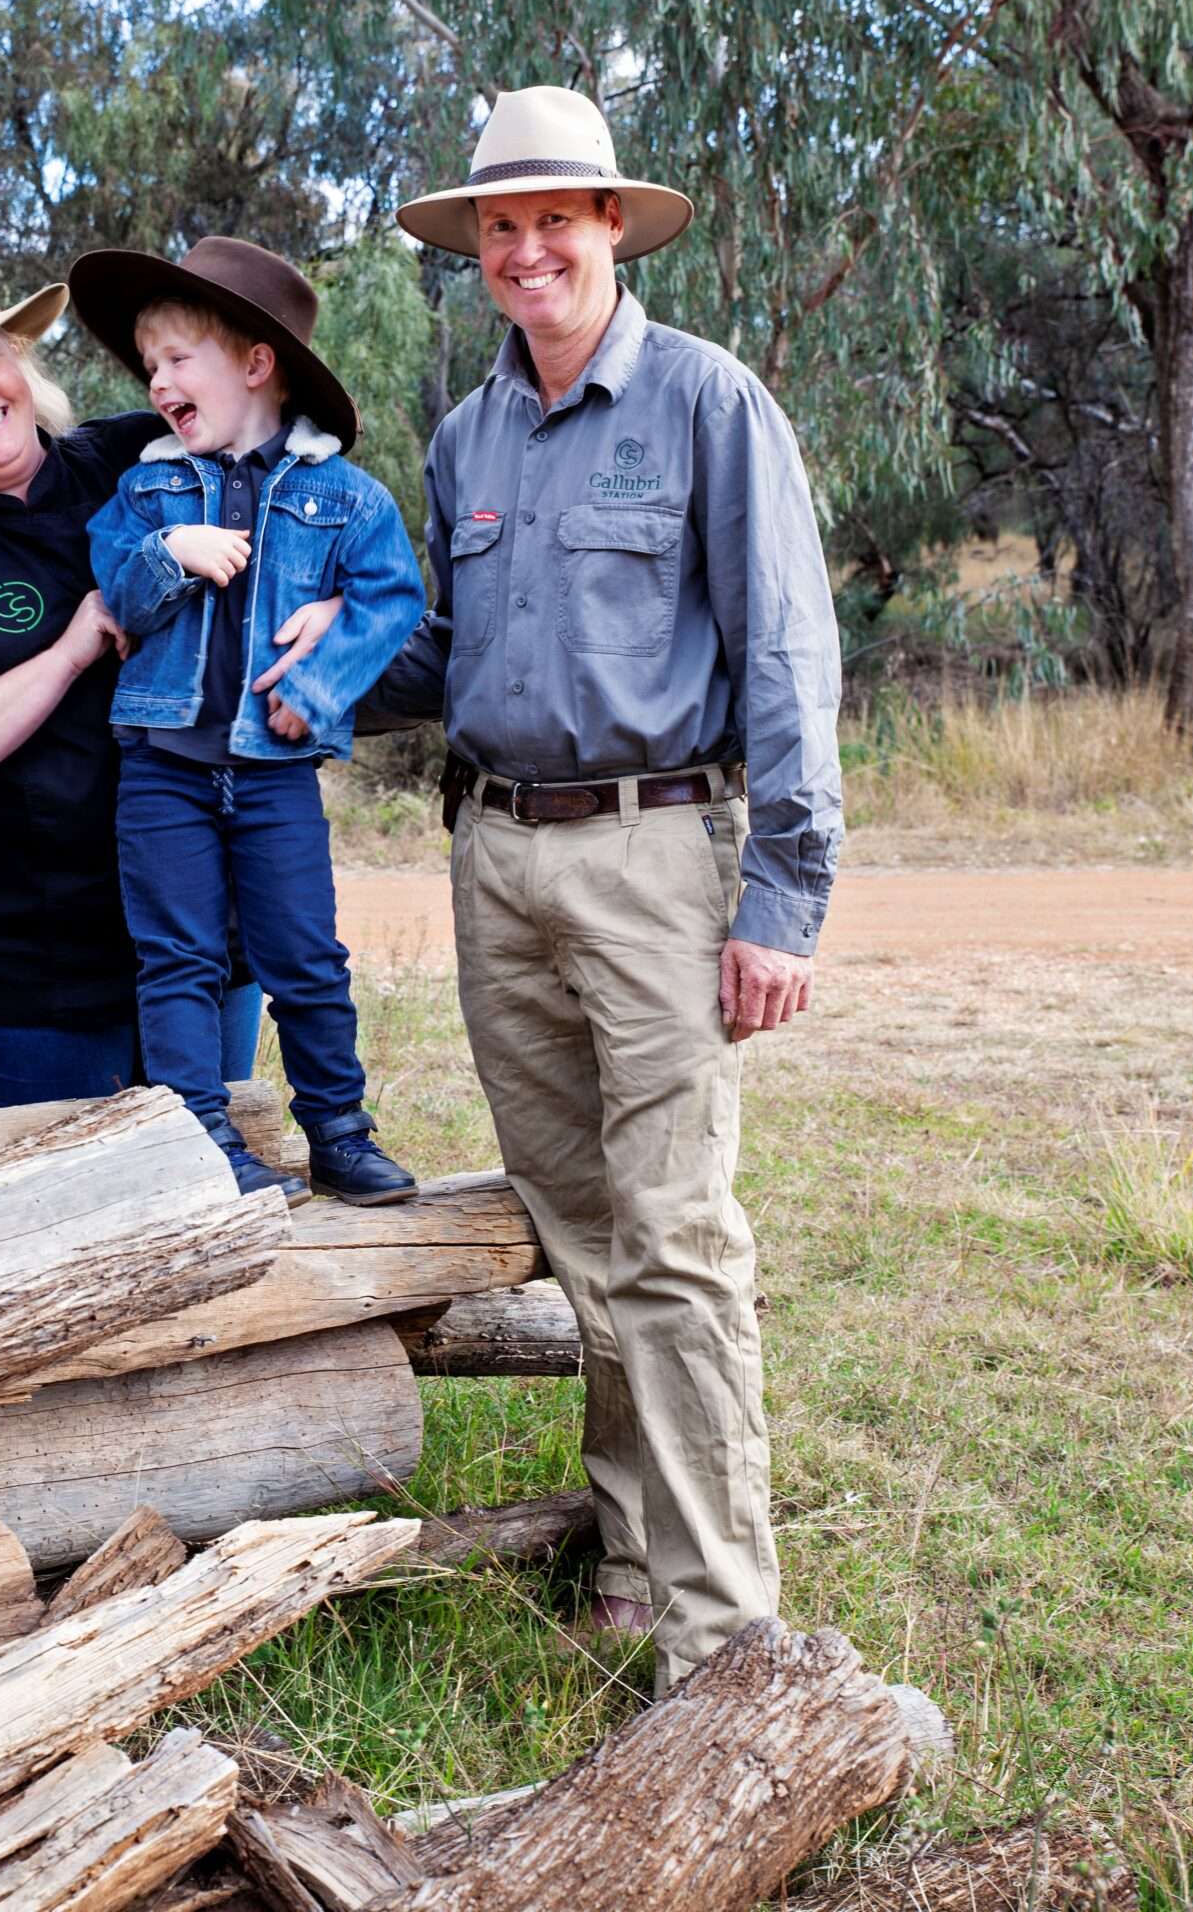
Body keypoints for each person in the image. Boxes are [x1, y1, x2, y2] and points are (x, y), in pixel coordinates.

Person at [366, 85, 843, 1697]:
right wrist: (316, 659)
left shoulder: (707, 407)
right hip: (495, 857)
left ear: (612, 230)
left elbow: (782, 654)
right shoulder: (466, 437)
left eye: (551, 220)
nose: (522, 250)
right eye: (496, 227)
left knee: (675, 1236)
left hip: (658, 857)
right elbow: (451, 651)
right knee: (581, 1231)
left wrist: (780, 895)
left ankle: (723, 1641)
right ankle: (631, 1551)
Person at [0, 252, 337, 1106]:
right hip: (32, 970)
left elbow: (299, 472)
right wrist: (69, 648)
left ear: (19, 363)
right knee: (66, 1219)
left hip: (206, 926)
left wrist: (329, 602)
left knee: (217, 1193)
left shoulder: (138, 455)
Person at [73, 235, 427, 1206]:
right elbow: (119, 599)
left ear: (256, 365)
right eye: (150, 367)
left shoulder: (343, 494)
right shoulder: (144, 491)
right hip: (163, 770)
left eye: (178, 360)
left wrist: (316, 691)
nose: (158, 382)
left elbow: (392, 599)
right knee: (177, 958)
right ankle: (198, 1141)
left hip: (272, 770)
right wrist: (169, 552)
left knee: (305, 955)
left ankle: (341, 1134)